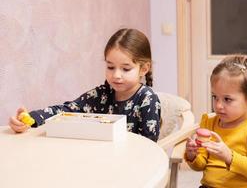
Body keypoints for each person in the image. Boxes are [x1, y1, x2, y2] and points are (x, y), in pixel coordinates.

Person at [9, 28, 161, 142]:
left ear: (144, 69)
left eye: (126, 69)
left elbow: (147, 147)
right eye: (110, 67)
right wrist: (31, 118)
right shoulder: (102, 94)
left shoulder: (147, 100)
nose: (116, 75)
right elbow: (67, 111)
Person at [185, 55, 247, 188]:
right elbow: (200, 166)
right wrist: (193, 155)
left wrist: (229, 156)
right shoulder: (209, 123)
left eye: (227, 99)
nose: (218, 105)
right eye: (215, 97)